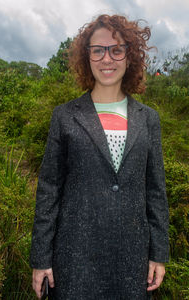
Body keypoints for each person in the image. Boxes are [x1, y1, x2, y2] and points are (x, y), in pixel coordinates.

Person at [30, 14, 169, 299]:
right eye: (98, 50)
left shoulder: (148, 119)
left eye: (117, 49)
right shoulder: (65, 116)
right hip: (73, 259)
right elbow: (48, 191)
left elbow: (156, 191)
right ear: (87, 56)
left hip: (133, 260)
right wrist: (41, 258)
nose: (108, 58)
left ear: (130, 57)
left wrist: (158, 253)